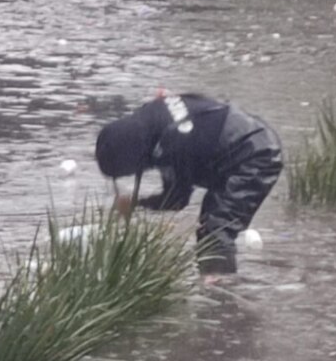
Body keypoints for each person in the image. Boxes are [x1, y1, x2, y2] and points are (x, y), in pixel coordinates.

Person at [95, 93, 283, 275]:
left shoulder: (172, 144)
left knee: (216, 232)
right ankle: (216, 284)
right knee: (210, 227)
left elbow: (176, 200)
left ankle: (220, 295)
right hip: (250, 134)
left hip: (256, 156)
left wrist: (135, 203)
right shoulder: (151, 116)